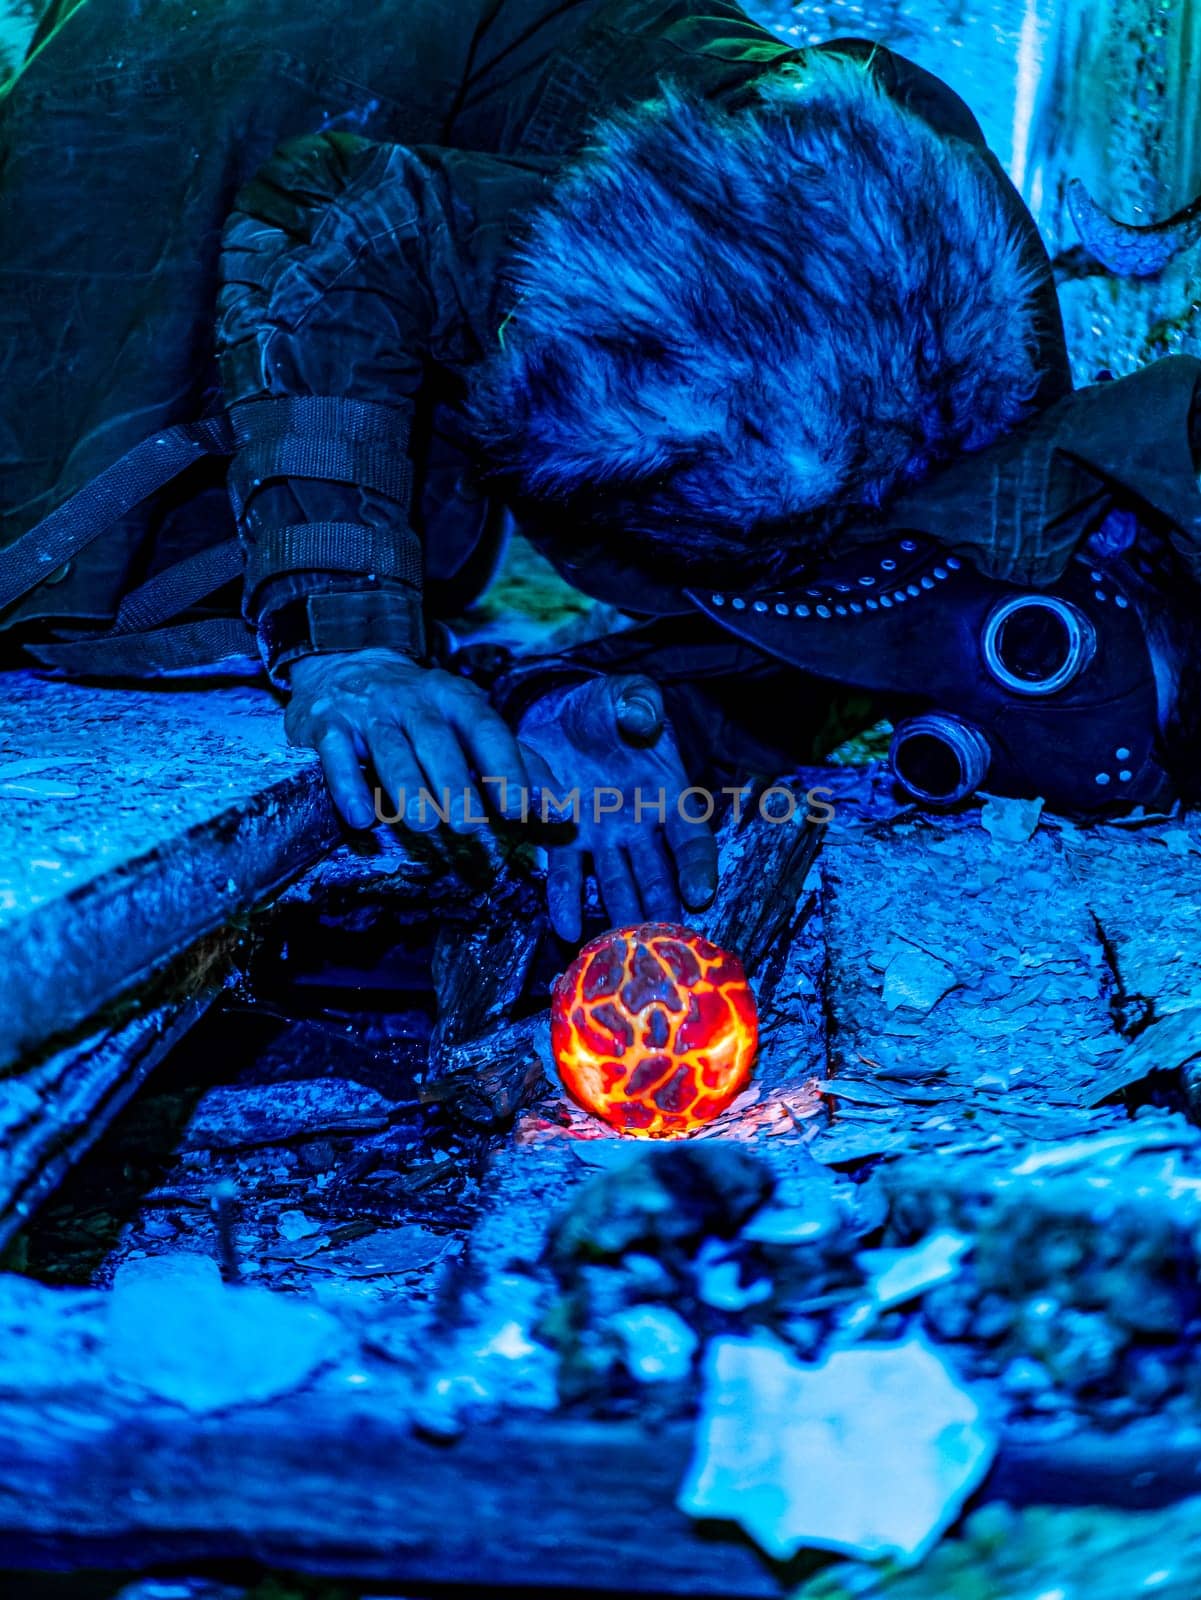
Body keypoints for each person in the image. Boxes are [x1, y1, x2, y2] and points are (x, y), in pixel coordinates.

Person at [0, 0, 1076, 937]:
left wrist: (638, 713)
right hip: (270, 66)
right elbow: (340, 224)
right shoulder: (725, 308)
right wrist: (352, 650)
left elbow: (834, 613)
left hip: (485, 138)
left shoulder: (993, 425)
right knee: (109, 492)